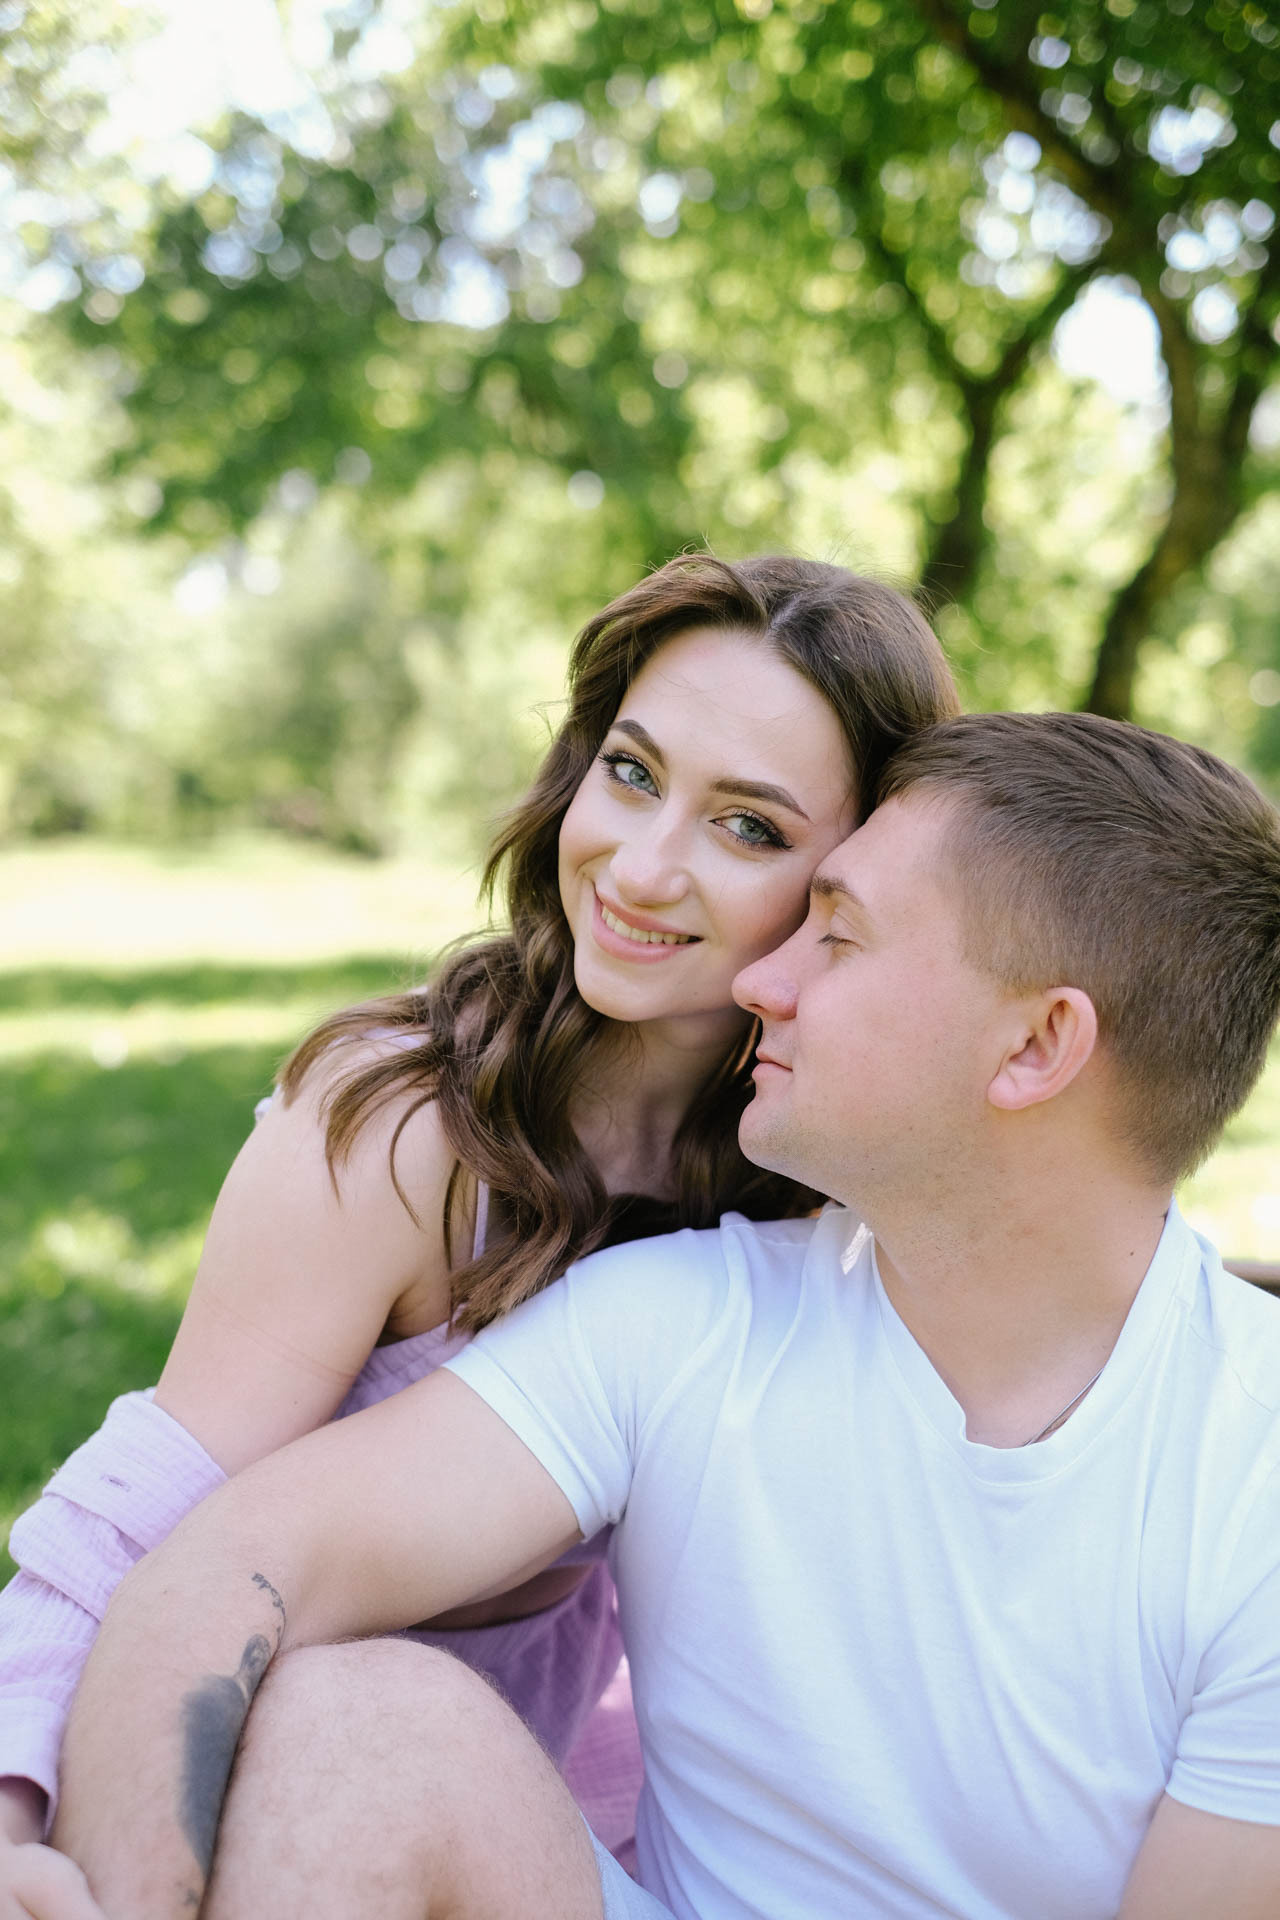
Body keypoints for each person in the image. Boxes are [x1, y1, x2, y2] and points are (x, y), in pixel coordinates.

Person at [48, 710, 1280, 1920]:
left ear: (1034, 1046)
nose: (762, 980)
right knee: (354, 1727)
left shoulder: (1251, 1475)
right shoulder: (679, 1320)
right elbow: (233, 1563)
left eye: (836, 939)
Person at [0, 552, 959, 1917]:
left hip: (555, 1806)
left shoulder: (813, 1172)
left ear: (849, 881)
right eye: (631, 772)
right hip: (247, 1792)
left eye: (746, 827)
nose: (641, 864)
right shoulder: (404, 1131)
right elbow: (133, 1524)